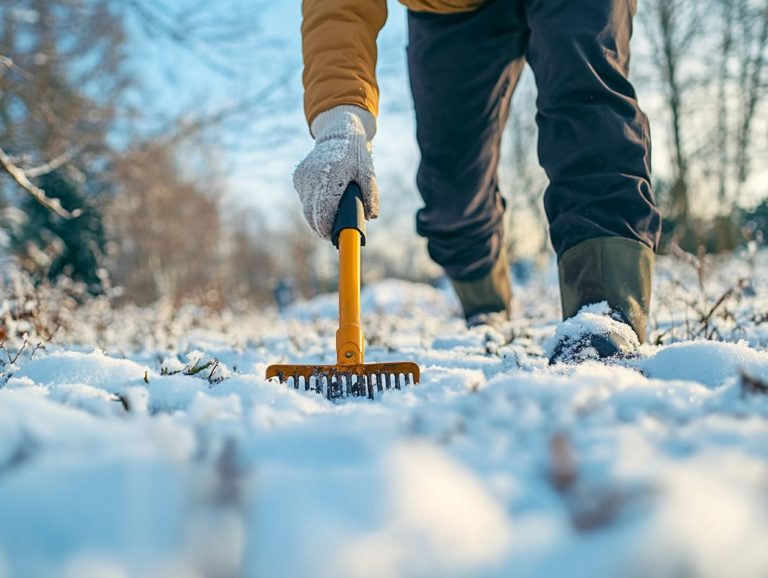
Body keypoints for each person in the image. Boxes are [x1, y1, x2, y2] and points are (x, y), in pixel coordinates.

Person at [292, 0, 661, 363]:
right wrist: (340, 120)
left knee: (588, 103)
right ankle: (486, 308)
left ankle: (604, 311)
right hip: (452, 9)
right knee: (451, 187)